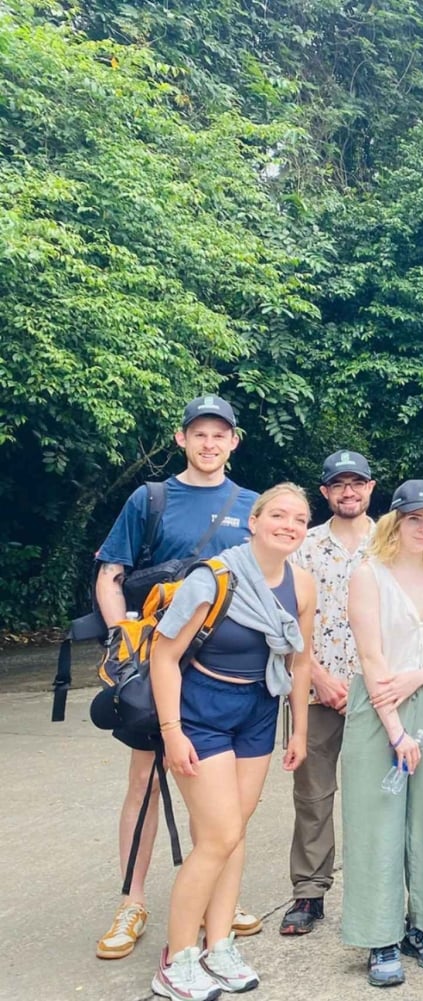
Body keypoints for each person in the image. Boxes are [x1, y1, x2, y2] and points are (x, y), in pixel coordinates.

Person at [93, 394, 260, 962]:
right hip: (160, 662)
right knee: (144, 784)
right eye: (200, 434)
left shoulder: (253, 505)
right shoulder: (152, 498)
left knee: (215, 794)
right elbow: (111, 575)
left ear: (234, 442)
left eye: (221, 435)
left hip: (226, 672)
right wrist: (124, 638)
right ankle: (132, 900)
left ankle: (217, 894)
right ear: (181, 439)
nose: (210, 443)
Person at [148, 483, 315, 1001]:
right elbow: (162, 655)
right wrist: (172, 733)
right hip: (202, 711)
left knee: (235, 833)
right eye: (279, 515)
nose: (289, 525)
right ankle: (176, 959)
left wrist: (300, 730)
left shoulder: (303, 584)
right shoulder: (214, 577)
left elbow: (300, 661)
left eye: (300, 519)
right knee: (218, 836)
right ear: (254, 521)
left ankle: (218, 944)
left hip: (259, 710)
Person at [342, 479, 423, 986]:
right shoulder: (368, 575)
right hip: (378, 703)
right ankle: (380, 936)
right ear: (395, 521)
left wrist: (418, 677)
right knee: (376, 819)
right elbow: (372, 657)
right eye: (414, 518)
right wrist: (396, 730)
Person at [281, 449, 377, 936]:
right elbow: (283, 618)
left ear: (370, 488)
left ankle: (377, 891)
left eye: (356, 483)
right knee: (313, 794)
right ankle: (309, 892)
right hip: (315, 689)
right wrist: (315, 673)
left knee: (377, 797)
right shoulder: (302, 545)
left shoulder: (392, 542)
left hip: (378, 692)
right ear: (324, 492)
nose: (348, 492)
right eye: (338, 484)